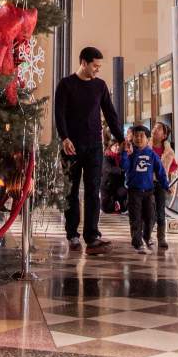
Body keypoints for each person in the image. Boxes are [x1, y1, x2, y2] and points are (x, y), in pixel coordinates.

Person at [55, 47, 125, 255]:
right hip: (71, 146)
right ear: (83, 62)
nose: (97, 70)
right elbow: (59, 114)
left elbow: (110, 115)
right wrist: (64, 137)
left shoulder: (100, 86)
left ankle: (92, 237)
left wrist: (121, 139)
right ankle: (72, 235)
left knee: (94, 191)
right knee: (72, 191)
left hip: (94, 146)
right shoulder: (66, 84)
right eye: (94, 65)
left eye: (99, 66)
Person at [121, 125, 170, 254]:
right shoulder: (131, 154)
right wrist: (124, 153)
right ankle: (137, 242)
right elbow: (124, 166)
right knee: (135, 218)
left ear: (148, 139)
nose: (138, 138)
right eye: (136, 135)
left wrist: (165, 185)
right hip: (134, 191)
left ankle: (147, 237)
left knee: (150, 217)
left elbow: (160, 171)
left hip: (148, 191)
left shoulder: (152, 155)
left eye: (141, 136)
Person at [149, 122, 178, 248]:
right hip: (146, 183)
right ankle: (147, 235)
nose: (155, 129)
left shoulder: (169, 152)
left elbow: (173, 167)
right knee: (149, 211)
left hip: (160, 184)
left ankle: (161, 238)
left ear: (164, 135)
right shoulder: (145, 146)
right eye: (154, 127)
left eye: (159, 129)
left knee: (160, 211)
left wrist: (165, 178)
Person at [101, 140, 127, 213]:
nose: (118, 147)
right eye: (115, 145)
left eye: (119, 145)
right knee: (106, 209)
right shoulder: (106, 157)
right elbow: (109, 168)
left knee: (125, 194)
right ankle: (114, 205)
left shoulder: (121, 157)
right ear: (110, 147)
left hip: (118, 185)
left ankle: (121, 206)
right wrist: (122, 170)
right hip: (107, 186)